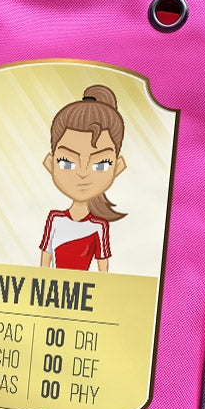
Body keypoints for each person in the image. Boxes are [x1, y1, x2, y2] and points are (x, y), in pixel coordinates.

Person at [40, 84, 127, 272]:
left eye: (101, 165)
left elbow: (103, 271)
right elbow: (45, 259)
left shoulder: (99, 226)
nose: (83, 173)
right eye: (66, 163)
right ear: (50, 163)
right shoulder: (54, 219)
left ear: (118, 167)